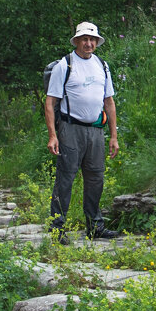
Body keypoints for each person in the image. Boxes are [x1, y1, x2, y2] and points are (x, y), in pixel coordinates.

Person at [44, 21, 122, 243]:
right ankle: (57, 229)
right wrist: (53, 135)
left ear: (96, 42)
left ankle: (95, 227)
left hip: (96, 130)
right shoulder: (65, 65)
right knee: (65, 179)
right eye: (84, 39)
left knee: (96, 178)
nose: (88, 43)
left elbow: (109, 102)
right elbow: (50, 102)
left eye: (92, 39)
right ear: (76, 41)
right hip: (70, 129)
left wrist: (113, 136)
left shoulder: (102, 66)